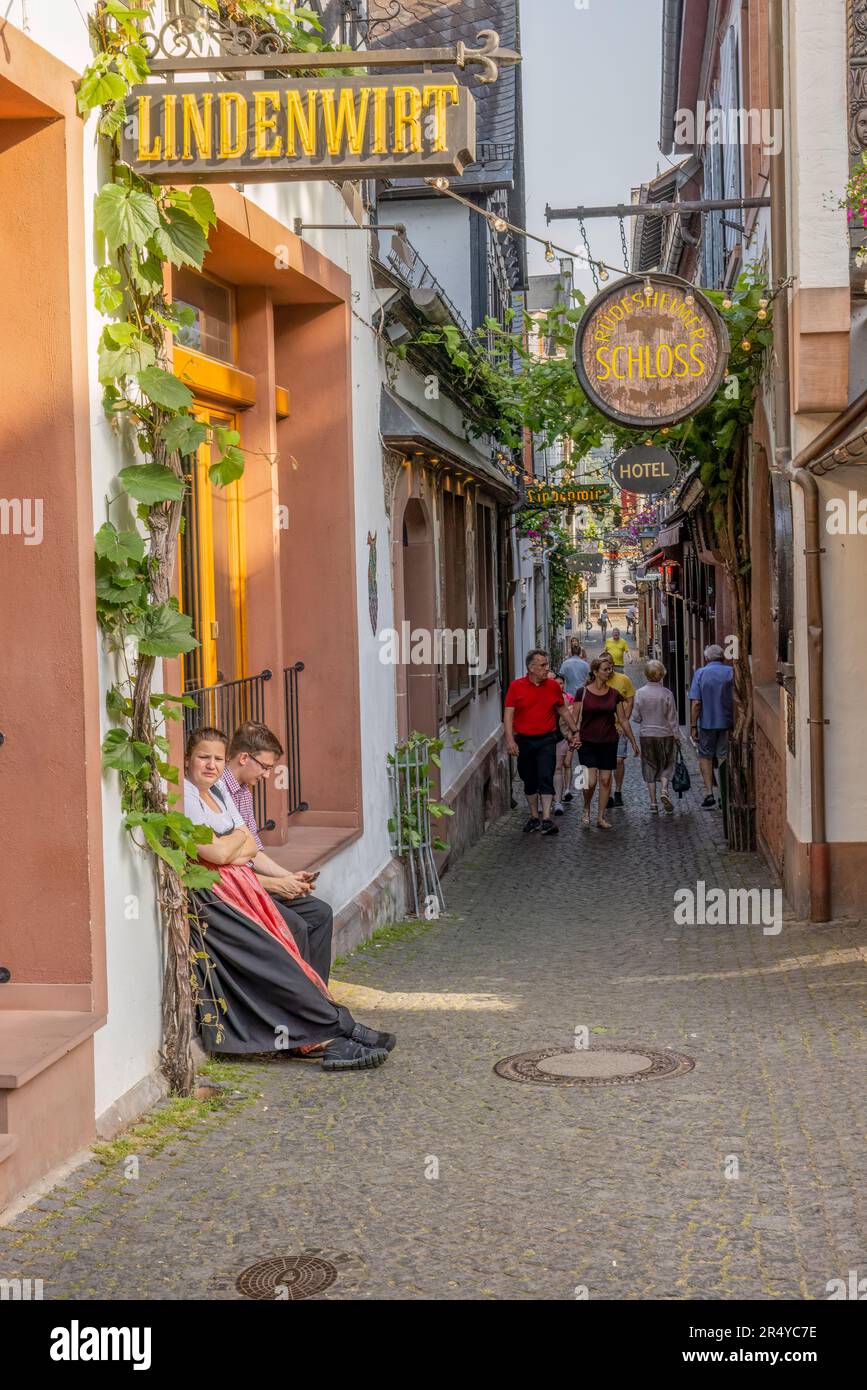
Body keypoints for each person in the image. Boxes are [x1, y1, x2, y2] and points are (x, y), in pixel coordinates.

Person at [183, 726, 395, 1070]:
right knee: (290, 931)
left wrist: (283, 876)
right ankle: (317, 1030)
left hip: (246, 885)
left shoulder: (227, 795)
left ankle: (322, 1013)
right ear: (188, 759)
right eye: (204, 757)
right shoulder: (187, 796)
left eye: (216, 759)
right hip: (222, 894)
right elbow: (220, 855)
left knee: (318, 913)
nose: (211, 765)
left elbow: (248, 846)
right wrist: (243, 854)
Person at [218, 720, 332, 983]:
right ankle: (301, 1007)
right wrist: (279, 884)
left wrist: (290, 877)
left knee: (320, 913)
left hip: (254, 882)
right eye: (266, 767)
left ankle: (320, 999)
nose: (268, 775)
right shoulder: (218, 790)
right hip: (235, 890)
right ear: (245, 757)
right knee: (297, 926)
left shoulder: (244, 792)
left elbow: (253, 852)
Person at [505, 649, 577, 836]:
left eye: (547, 664)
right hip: (525, 740)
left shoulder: (553, 686)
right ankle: (533, 816)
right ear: (531, 668)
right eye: (543, 665)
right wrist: (510, 740)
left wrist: (575, 731)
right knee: (529, 779)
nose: (547, 668)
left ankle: (546, 818)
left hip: (546, 739)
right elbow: (508, 714)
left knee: (546, 775)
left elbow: (563, 711)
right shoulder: (516, 687)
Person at [572, 656, 639, 829]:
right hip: (587, 741)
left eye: (610, 669)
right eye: (605, 669)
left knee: (605, 780)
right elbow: (575, 718)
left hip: (608, 741)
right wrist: (574, 736)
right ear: (595, 672)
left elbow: (623, 720)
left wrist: (633, 741)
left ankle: (600, 817)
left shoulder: (614, 694)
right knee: (590, 780)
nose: (609, 672)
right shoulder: (582, 692)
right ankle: (586, 806)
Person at [688, 644, 734, 808]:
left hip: (707, 724)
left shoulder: (700, 673)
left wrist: (693, 726)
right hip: (727, 723)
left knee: (705, 756)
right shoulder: (730, 672)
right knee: (723, 756)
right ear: (722, 657)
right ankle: (724, 794)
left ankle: (709, 793)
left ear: (706, 658)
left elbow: (696, 703)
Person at [632, 660, 681, 814]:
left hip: (647, 735)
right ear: (661, 675)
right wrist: (677, 735)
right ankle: (664, 790)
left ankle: (653, 803)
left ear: (646, 674)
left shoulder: (640, 693)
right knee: (667, 764)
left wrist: (642, 719)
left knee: (649, 766)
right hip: (665, 734)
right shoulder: (667, 694)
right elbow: (672, 718)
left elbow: (636, 717)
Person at [604, 657, 636, 809]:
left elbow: (630, 701)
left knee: (618, 761)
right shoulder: (595, 681)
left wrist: (625, 721)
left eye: (610, 665)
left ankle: (617, 791)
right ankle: (607, 794)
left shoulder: (623, 679)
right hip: (602, 729)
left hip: (619, 727)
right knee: (604, 764)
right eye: (604, 667)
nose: (608, 669)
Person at [552, 674, 575, 816]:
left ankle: (566, 790)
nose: (559, 686)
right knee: (556, 767)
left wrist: (573, 734)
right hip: (556, 737)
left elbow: (570, 717)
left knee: (566, 764)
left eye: (561, 683)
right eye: (557, 683)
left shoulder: (567, 698)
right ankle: (555, 798)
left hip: (566, 736)